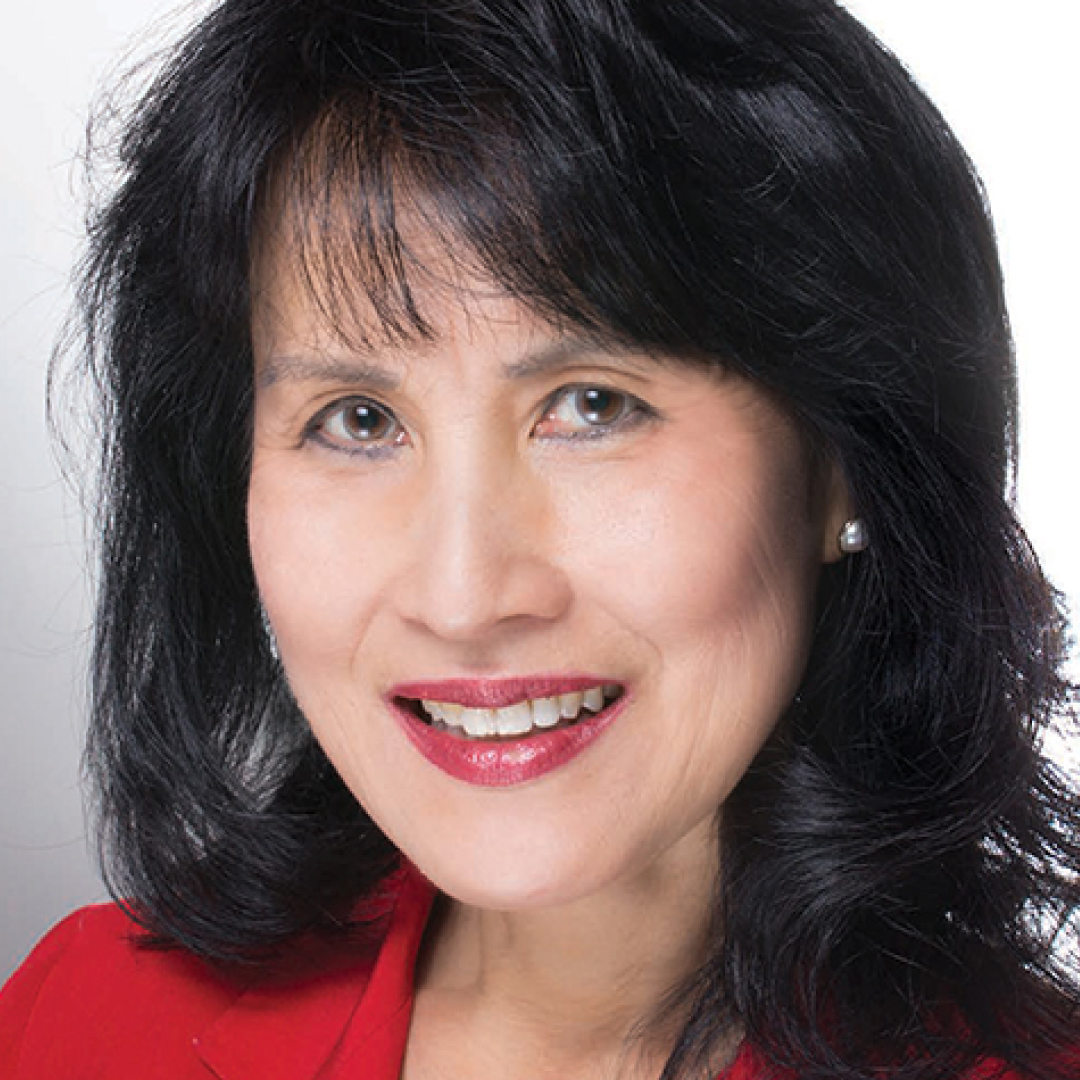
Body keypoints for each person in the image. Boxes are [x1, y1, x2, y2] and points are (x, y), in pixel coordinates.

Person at [1, 1, 1078, 1077]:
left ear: (843, 461)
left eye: (594, 406)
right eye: (358, 421)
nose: (464, 596)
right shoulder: (82, 1019)